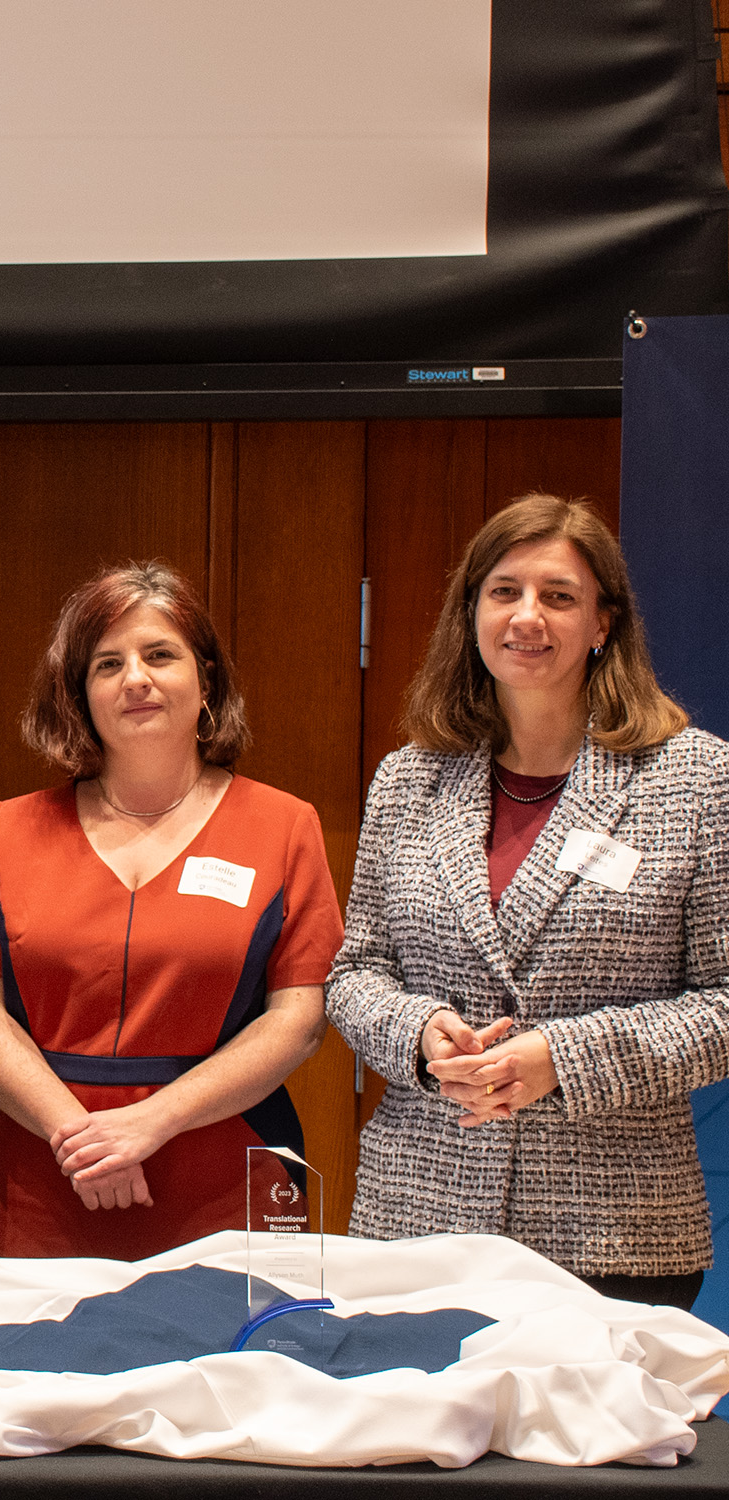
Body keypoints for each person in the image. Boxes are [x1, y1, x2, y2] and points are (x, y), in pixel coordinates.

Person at [328, 494, 728, 1309]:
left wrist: (562, 1060)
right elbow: (355, 973)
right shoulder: (409, 780)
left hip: (614, 1230)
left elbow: (723, 1005)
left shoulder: (697, 780)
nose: (527, 617)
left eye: (559, 596)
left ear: (603, 624)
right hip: (419, 1217)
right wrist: (418, 1036)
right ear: (471, 612)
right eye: (504, 591)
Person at [0, 562, 341, 1260]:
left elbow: (299, 1021)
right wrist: (77, 1133)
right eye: (108, 663)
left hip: (223, 1174)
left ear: (206, 680)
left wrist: (150, 1123)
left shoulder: (285, 827)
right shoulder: (11, 829)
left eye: (160, 654)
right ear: (81, 693)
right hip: (37, 1175)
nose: (136, 677)